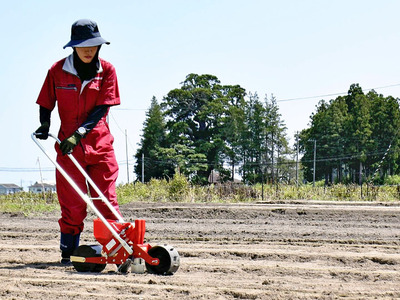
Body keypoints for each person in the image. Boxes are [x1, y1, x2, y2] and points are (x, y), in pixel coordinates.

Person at [34, 19, 122, 264]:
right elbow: (46, 101)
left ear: (99, 46)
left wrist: (80, 133)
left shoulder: (107, 70)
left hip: (100, 145)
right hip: (68, 148)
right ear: (73, 46)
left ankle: (118, 249)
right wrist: (44, 125)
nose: (88, 50)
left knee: (106, 198)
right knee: (72, 202)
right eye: (82, 45)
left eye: (92, 45)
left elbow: (103, 106)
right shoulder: (57, 70)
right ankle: (67, 252)